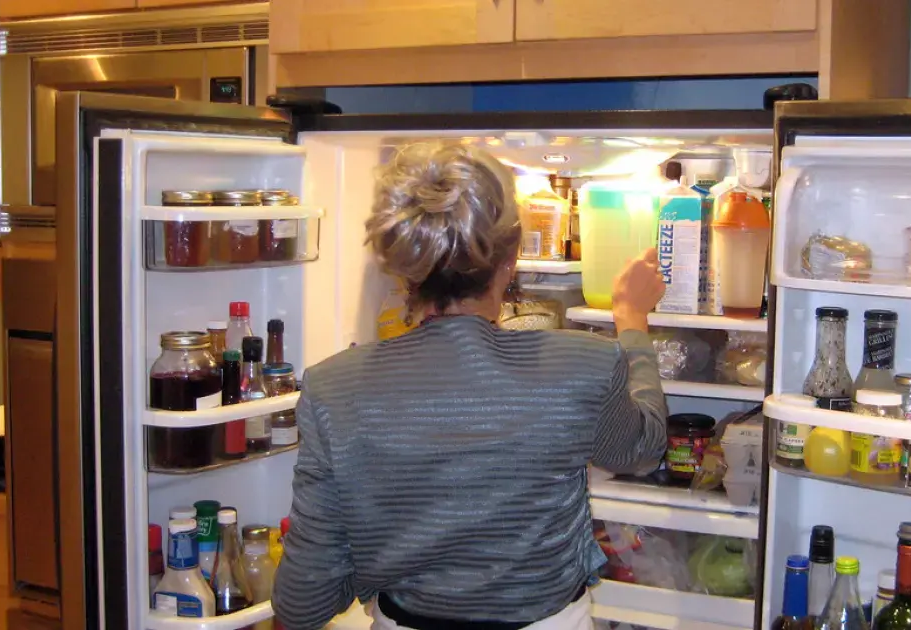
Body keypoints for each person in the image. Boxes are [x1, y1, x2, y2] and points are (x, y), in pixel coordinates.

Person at [272, 142, 668, 630]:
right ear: (511, 258)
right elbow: (644, 448)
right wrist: (632, 321)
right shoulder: (582, 365)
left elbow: (303, 601)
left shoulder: (334, 387)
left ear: (401, 265)